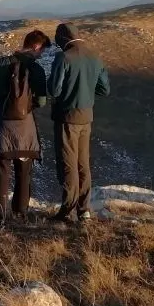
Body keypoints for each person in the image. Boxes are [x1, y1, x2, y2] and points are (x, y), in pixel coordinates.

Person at [0, 30, 51, 221]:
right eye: (42, 51)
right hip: (26, 128)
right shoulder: (37, 71)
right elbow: (42, 102)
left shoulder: (2, 63)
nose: (41, 55)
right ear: (35, 47)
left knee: (1, 172)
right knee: (24, 173)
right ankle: (20, 214)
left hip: (3, 126)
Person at [48, 23, 111, 222]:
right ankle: (84, 210)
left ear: (62, 39)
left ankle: (67, 209)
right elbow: (104, 90)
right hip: (86, 117)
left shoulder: (63, 57)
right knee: (83, 163)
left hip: (67, 117)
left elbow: (54, 90)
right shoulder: (95, 57)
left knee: (68, 164)